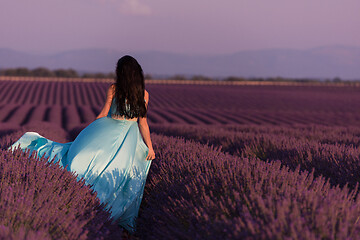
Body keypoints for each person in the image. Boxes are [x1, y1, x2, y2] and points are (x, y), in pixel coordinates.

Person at [9, 55, 155, 232]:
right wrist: (150, 147)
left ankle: (88, 206)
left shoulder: (114, 89)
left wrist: (89, 132)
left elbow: (103, 114)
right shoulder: (143, 94)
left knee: (88, 164)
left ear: (121, 73)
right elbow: (143, 123)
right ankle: (106, 214)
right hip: (129, 138)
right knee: (120, 176)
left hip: (107, 130)